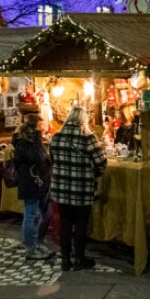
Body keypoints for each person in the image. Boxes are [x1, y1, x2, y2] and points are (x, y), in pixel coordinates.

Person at [49, 106, 106, 271]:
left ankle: (65, 260)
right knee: (81, 224)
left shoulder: (56, 137)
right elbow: (101, 163)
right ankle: (79, 259)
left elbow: (51, 158)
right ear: (83, 120)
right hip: (82, 189)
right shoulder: (88, 138)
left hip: (61, 189)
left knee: (65, 224)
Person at [12, 112, 54, 259]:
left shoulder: (34, 142)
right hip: (31, 183)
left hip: (42, 183)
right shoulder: (23, 143)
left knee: (47, 214)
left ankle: (38, 241)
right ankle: (31, 247)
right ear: (35, 127)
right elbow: (35, 158)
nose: (43, 130)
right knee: (30, 215)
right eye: (41, 127)